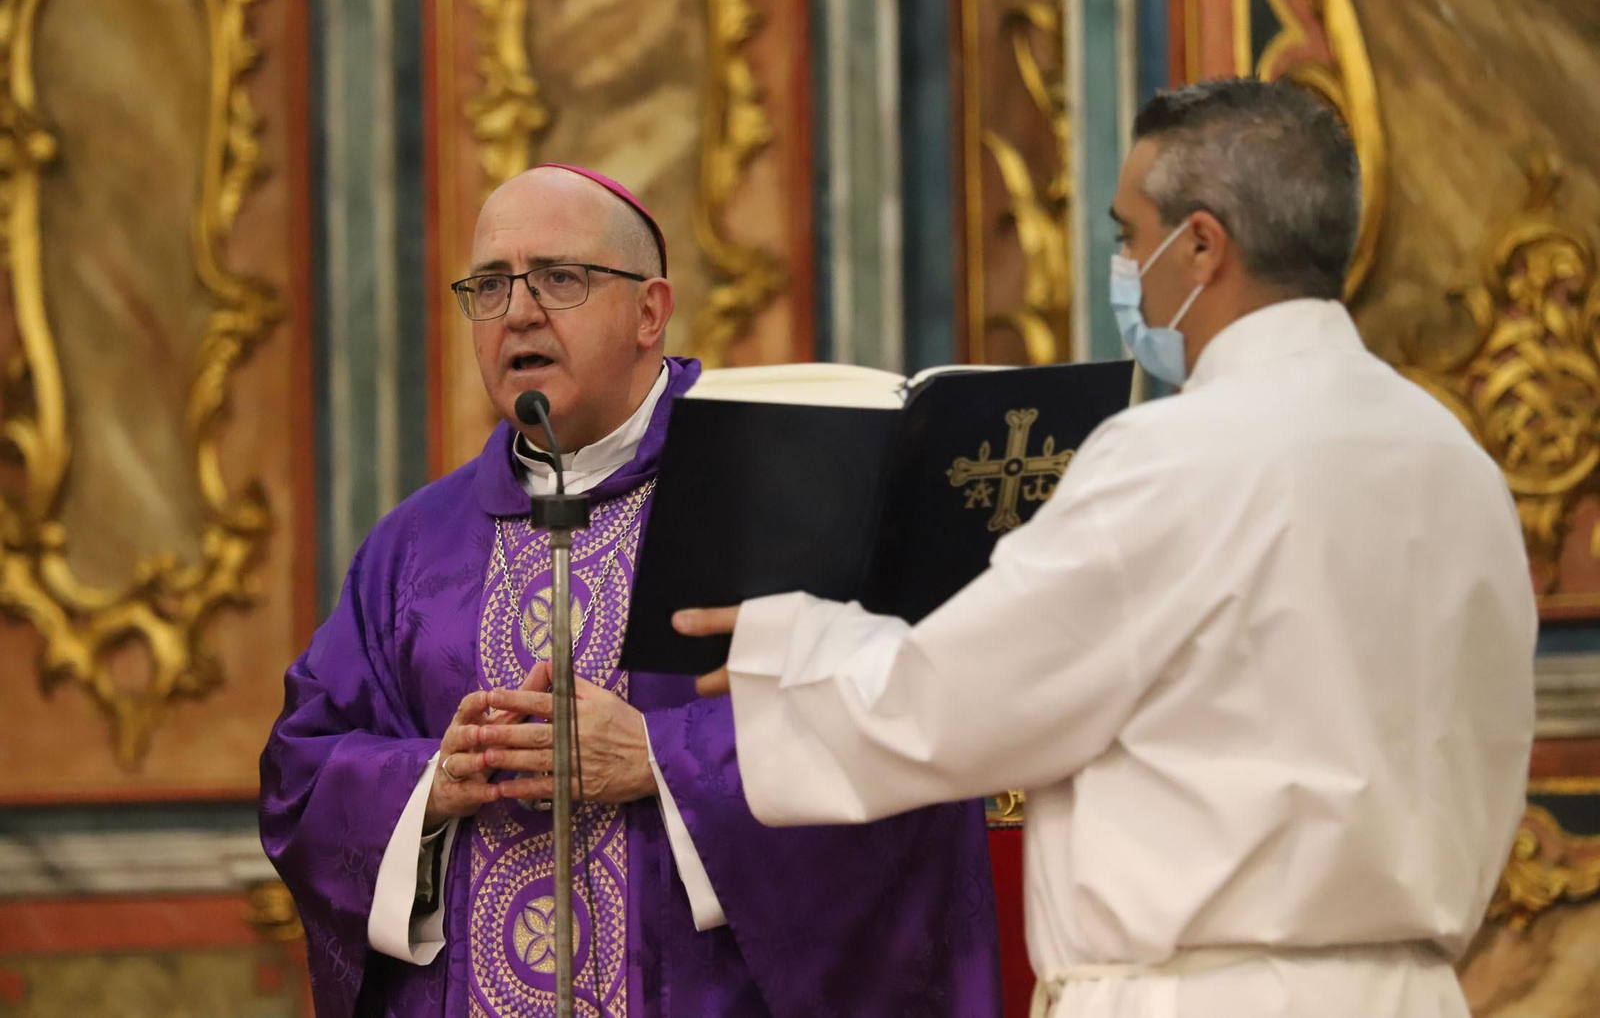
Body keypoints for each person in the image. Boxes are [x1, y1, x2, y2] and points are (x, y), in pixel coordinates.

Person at [676, 79, 1537, 1018]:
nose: (1126, 266)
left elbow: (958, 701)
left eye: (1130, 236)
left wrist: (789, 644)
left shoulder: (1176, 455)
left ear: (1202, 245)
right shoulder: (1456, 460)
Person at [259, 164, 1002, 1017]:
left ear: (651, 311)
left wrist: (660, 759)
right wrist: (430, 782)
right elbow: (302, 771)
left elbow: (912, 733)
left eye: (560, 278)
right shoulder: (415, 550)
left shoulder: (786, 494)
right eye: (491, 285)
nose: (519, 312)